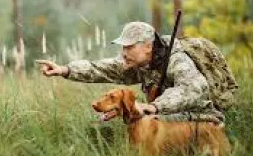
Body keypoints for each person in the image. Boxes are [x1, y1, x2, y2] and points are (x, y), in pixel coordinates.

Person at [36, 21, 237, 126]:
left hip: (203, 116)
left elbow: (191, 89)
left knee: (146, 122)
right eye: (123, 47)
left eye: (129, 47)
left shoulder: (177, 59)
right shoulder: (139, 63)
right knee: (135, 122)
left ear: (148, 46)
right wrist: (64, 70)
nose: (124, 52)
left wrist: (153, 107)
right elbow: (102, 68)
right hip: (165, 113)